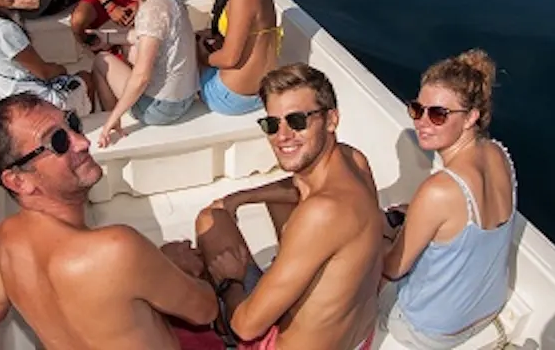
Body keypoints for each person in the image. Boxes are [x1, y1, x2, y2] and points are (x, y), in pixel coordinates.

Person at [0, 93, 224, 349]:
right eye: (58, 141)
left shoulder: (4, 242)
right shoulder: (118, 249)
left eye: (72, 123)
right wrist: (173, 266)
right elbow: (206, 310)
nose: (82, 142)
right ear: (19, 181)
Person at [195, 63, 384, 350]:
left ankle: (221, 324)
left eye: (297, 121)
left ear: (331, 119)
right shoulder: (354, 160)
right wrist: (241, 198)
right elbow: (300, 184)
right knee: (274, 201)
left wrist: (230, 282)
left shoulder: (320, 214)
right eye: (272, 124)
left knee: (210, 219)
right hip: (357, 339)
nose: (282, 136)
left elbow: (246, 327)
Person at [378, 49, 516, 350]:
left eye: (438, 114)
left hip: (429, 330)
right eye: (417, 109)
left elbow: (392, 269)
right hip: (488, 309)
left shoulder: (438, 191)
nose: (422, 122)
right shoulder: (499, 155)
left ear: (471, 117)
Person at [91, 0, 200, 146]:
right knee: (128, 48)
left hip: (162, 108)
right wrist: (108, 37)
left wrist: (113, 118)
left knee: (101, 61)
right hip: (186, 96)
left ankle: (111, 119)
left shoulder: (152, 10)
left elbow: (141, 77)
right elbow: (146, 36)